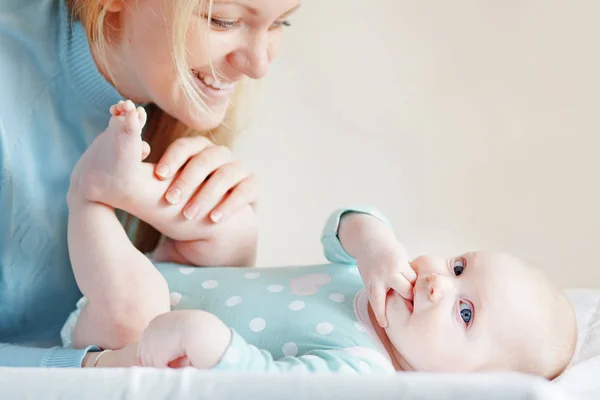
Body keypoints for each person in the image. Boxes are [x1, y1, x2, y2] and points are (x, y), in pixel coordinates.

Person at [64, 103, 577, 377]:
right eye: (460, 267)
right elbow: (343, 223)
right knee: (236, 223)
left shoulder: (361, 370)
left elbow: (266, 383)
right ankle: (130, 186)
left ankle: (89, 197)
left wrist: (212, 345)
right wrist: (374, 245)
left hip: (130, 326)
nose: (440, 283)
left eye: (465, 314)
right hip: (191, 273)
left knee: (140, 304)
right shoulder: (380, 280)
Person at [0, 0, 300, 367]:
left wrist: (218, 267)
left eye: (280, 24)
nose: (258, 65)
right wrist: (85, 368)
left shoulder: (168, 97)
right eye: (223, 21)